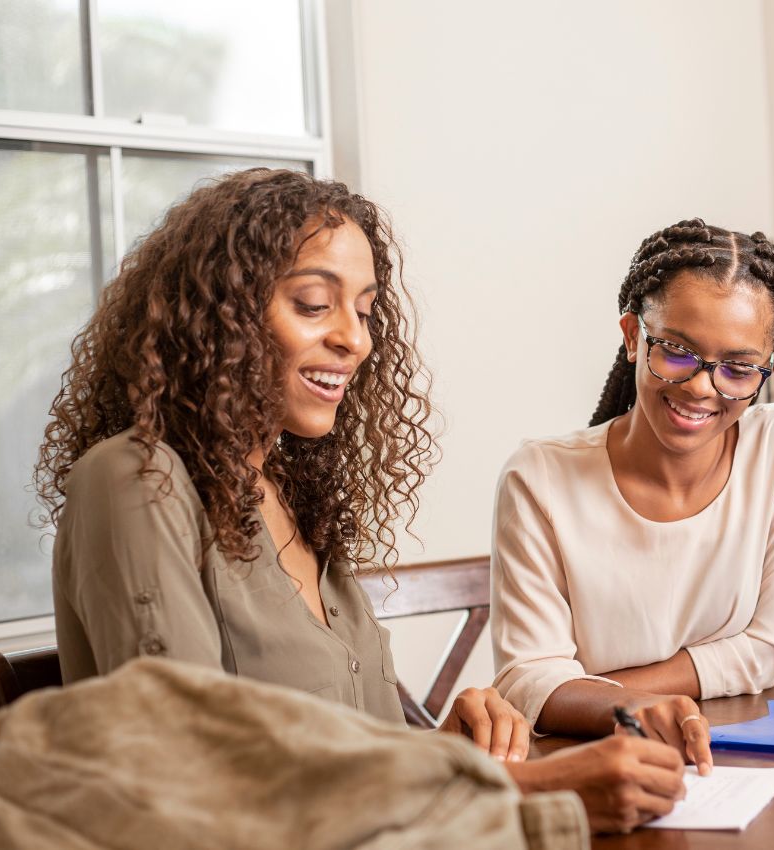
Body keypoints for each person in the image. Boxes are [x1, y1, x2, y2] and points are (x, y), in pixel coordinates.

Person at [34, 168, 685, 834]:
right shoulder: (135, 481)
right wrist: (528, 789)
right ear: (216, 317)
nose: (357, 338)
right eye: (315, 304)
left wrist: (444, 752)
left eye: (367, 310)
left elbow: (346, 753)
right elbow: (190, 775)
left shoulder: (287, 497)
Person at [491, 218, 774, 774]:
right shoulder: (541, 476)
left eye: (739, 369)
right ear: (631, 336)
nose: (700, 387)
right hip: (589, 764)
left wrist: (585, 692)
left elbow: (765, 651)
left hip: (731, 762)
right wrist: (629, 706)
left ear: (770, 370)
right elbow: (528, 679)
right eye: (676, 351)